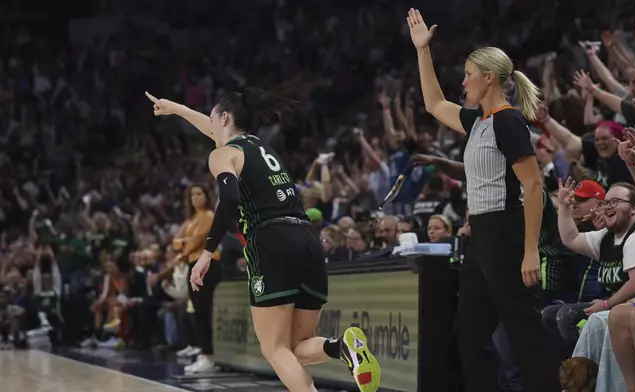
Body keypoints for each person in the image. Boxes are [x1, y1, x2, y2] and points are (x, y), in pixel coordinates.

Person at [145, 87, 380, 392]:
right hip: (307, 238)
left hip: (271, 240)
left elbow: (228, 200)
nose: (209, 127)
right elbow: (212, 129)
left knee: (273, 349)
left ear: (225, 117)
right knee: (295, 348)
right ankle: (343, 347)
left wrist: (206, 253)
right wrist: (175, 108)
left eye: (213, 120)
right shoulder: (259, 147)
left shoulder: (222, 154)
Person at [407, 8, 559, 392]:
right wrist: (423, 51)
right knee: (469, 332)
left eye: (468, 74)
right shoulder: (478, 121)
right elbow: (434, 105)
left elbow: (535, 186)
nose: (463, 82)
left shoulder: (509, 121)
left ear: (489, 77)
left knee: (524, 330)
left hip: (507, 233)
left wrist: (529, 252)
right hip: (480, 238)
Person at [151, 184, 221, 372]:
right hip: (193, 264)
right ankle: (204, 353)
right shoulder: (190, 220)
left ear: (206, 196)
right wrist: (182, 245)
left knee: (203, 310)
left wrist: (183, 247)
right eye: (192, 195)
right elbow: (176, 242)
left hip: (207, 263)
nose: (196, 198)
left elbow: (195, 241)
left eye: (199, 193)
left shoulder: (208, 216)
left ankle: (209, 355)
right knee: (197, 311)